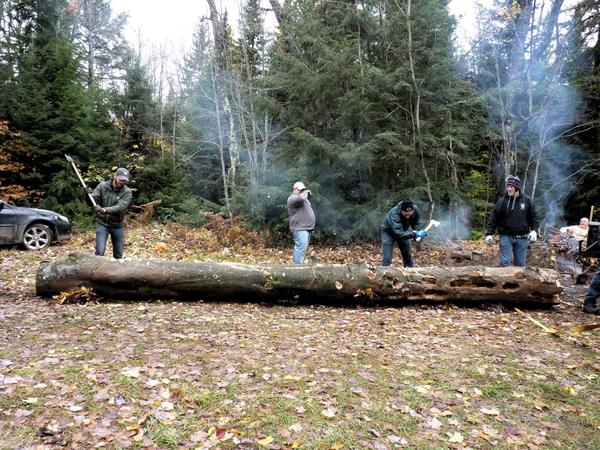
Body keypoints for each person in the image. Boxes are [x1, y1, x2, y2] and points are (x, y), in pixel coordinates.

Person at [485, 175, 539, 267]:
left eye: (511, 187)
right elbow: (494, 218)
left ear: (517, 188)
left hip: (522, 238)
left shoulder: (527, 201)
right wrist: (489, 234)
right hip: (506, 237)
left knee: (520, 265)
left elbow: (534, 218)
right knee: (505, 263)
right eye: (508, 186)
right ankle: (505, 281)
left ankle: (516, 282)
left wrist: (534, 231)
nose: (509, 189)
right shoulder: (502, 201)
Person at [92, 167, 132, 259]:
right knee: (99, 252)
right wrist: (88, 195)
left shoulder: (127, 192)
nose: (122, 182)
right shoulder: (102, 186)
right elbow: (94, 199)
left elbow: (120, 207)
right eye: (121, 179)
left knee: (118, 254)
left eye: (124, 180)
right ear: (115, 176)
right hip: (102, 224)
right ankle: (97, 272)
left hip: (117, 225)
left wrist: (104, 210)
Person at [380, 199, 427, 267]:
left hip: (403, 231)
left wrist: (417, 232)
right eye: (405, 215)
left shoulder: (415, 210)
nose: (408, 217)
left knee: (407, 254)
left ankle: (409, 272)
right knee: (387, 258)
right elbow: (398, 233)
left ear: (413, 210)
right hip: (388, 232)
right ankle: (384, 272)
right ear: (401, 210)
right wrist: (414, 234)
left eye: (409, 215)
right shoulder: (394, 213)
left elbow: (416, 223)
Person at [287, 181, 315, 264]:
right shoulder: (292, 198)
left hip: (306, 227)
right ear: (295, 189)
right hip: (299, 228)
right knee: (300, 247)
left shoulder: (303, 199)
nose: (303, 192)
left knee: (303, 249)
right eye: (301, 190)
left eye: (304, 190)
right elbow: (301, 198)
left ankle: (300, 267)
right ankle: (296, 269)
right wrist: (306, 192)